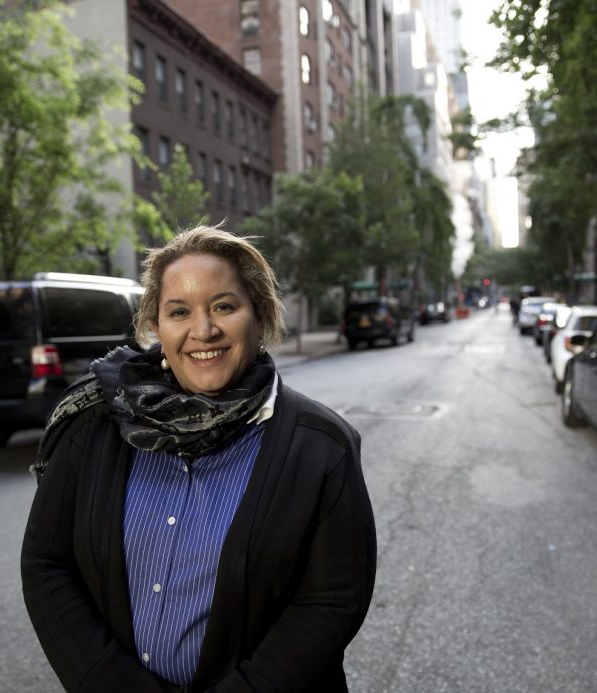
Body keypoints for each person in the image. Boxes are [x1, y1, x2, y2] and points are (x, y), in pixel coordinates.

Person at [21, 226, 377, 692]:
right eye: (179, 312)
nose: (202, 330)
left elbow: (332, 601)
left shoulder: (323, 446)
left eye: (224, 306)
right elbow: (47, 563)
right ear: (156, 327)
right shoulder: (94, 426)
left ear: (260, 315)